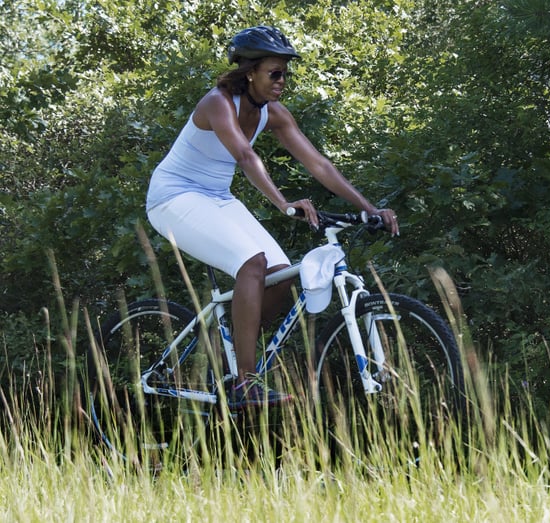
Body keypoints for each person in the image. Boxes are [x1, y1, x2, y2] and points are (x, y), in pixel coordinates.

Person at [145, 25, 399, 410]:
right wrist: (284, 204)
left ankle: (232, 353)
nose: (283, 81)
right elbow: (247, 158)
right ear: (250, 72)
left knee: (280, 276)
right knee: (253, 264)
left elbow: (318, 164)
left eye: (286, 74)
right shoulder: (218, 102)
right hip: (173, 197)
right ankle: (244, 383)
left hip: (217, 196)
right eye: (274, 73)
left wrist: (369, 208)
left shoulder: (273, 114)